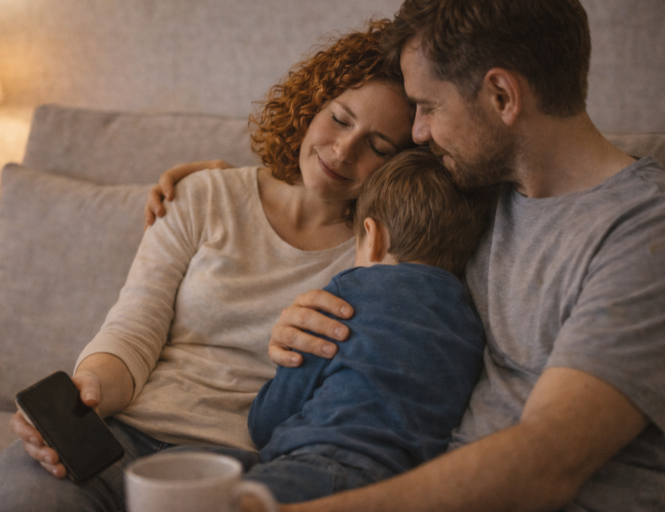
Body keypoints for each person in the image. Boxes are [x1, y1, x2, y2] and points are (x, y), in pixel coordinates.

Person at [147, 1, 665, 511]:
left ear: (502, 96)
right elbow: (356, 188)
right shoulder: (477, 191)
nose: (417, 131)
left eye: (429, 107)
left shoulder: (642, 231)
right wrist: (223, 184)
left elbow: (548, 462)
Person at [0, 19, 416, 512]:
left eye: (378, 147)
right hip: (122, 439)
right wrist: (91, 391)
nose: (343, 149)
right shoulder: (204, 194)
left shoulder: (382, 255)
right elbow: (133, 328)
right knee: (24, 494)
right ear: (312, 105)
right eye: (339, 118)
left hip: (249, 465)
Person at [237, 147, 492, 504]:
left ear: (373, 237)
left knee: (195, 483)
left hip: (316, 463)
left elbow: (267, 422)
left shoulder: (348, 294)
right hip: (399, 489)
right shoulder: (470, 325)